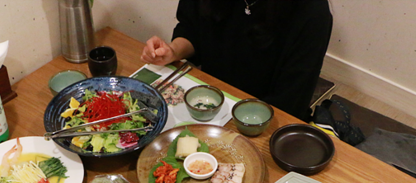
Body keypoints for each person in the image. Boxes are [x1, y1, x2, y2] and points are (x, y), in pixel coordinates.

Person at [141, 0, 333, 121]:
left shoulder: (312, 12)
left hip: (265, 120)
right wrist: (173, 51)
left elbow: (290, 102)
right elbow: (192, 28)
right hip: (212, 101)